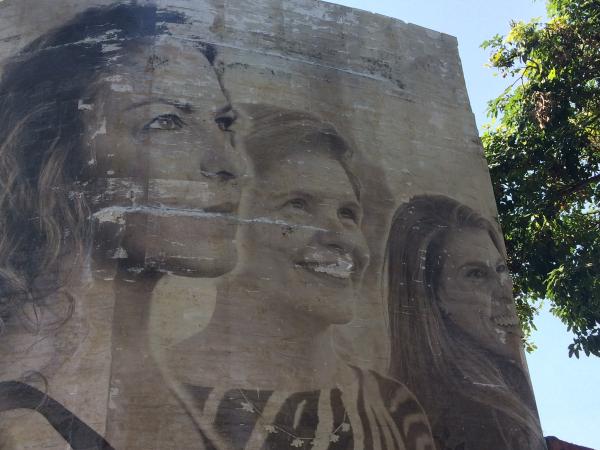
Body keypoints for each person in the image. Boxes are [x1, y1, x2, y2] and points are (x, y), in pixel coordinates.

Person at [0, 3, 244, 448]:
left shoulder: (186, 396)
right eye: (167, 122)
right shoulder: (22, 426)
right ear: (60, 157)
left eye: (223, 123)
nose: (228, 163)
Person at [164, 106, 436, 450]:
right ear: (224, 222)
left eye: (348, 213)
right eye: (298, 204)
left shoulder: (394, 410)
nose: (342, 237)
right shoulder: (158, 394)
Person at [384, 194, 546, 450]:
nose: (504, 290)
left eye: (501, 269)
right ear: (432, 297)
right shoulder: (471, 413)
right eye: (476, 274)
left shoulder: (504, 385)